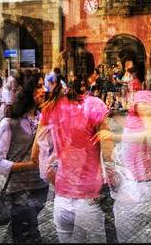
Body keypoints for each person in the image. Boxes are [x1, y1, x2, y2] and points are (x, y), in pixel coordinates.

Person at [38, 53, 113, 243]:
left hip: (62, 198)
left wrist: (53, 177)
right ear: (90, 75)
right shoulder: (95, 105)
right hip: (89, 198)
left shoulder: (50, 106)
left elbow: (40, 151)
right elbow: (108, 154)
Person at [92, 59, 151, 243]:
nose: (125, 78)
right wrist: (117, 117)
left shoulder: (142, 98)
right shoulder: (141, 98)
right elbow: (137, 126)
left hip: (138, 180)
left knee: (125, 230)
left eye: (127, 73)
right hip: (137, 176)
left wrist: (114, 137)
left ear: (134, 75)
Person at [0, 76, 49, 243]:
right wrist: (29, 165)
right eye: (38, 86)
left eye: (43, 85)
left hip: (41, 187)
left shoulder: (44, 118)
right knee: (31, 234)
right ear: (25, 91)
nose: (44, 90)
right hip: (19, 190)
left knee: (21, 230)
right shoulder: (9, 123)